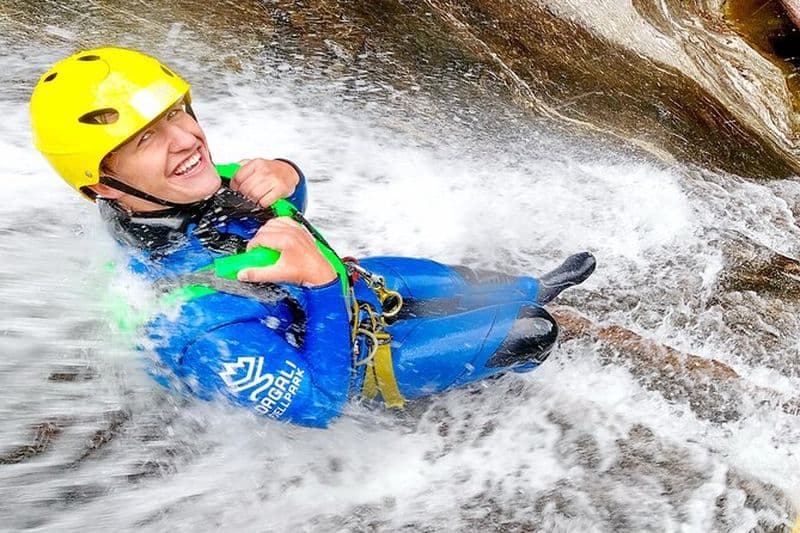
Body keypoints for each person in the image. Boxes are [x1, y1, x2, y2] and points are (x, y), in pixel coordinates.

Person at [30, 47, 596, 428]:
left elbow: (282, 207)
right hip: (343, 365)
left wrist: (287, 173)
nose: (187, 139)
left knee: (482, 284)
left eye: (179, 112)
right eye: (147, 138)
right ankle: (456, 394)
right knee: (530, 332)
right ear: (103, 186)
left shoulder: (164, 193)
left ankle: (527, 287)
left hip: (332, 293)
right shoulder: (191, 327)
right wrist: (323, 283)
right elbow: (317, 407)